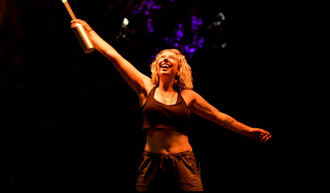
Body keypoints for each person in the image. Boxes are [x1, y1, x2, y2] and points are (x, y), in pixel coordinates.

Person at [71, 19, 271, 191]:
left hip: (184, 163)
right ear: (157, 66)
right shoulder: (146, 87)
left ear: (178, 68)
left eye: (171, 57)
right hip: (151, 164)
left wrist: (248, 131)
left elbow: (221, 117)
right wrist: (89, 31)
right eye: (161, 57)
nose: (165, 59)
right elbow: (114, 56)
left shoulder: (188, 96)